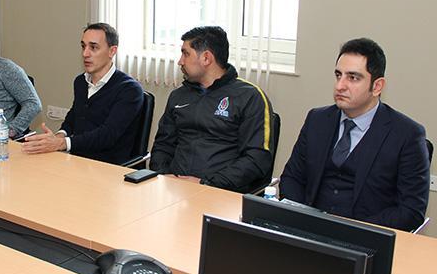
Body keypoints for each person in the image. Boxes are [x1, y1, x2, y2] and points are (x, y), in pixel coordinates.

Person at [280, 38, 430, 231]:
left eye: (353, 78)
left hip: (366, 238)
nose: (340, 86)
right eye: (338, 75)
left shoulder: (407, 135)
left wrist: (355, 230)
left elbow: (411, 211)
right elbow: (291, 178)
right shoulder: (317, 120)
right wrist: (303, 219)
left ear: (377, 86)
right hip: (309, 230)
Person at [150, 26, 274, 193]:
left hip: (221, 192)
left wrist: (207, 184)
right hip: (174, 189)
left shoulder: (250, 97)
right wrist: (163, 176)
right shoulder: (179, 95)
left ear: (206, 58)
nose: (180, 61)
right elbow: (163, 145)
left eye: (186, 54)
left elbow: (256, 159)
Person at [22, 23, 144, 165]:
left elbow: (107, 135)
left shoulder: (129, 90)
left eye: (93, 47)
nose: (85, 54)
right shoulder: (80, 81)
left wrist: (62, 143)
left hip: (109, 166)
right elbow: (73, 117)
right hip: (76, 160)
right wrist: (58, 136)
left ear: (112, 51)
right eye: (83, 46)